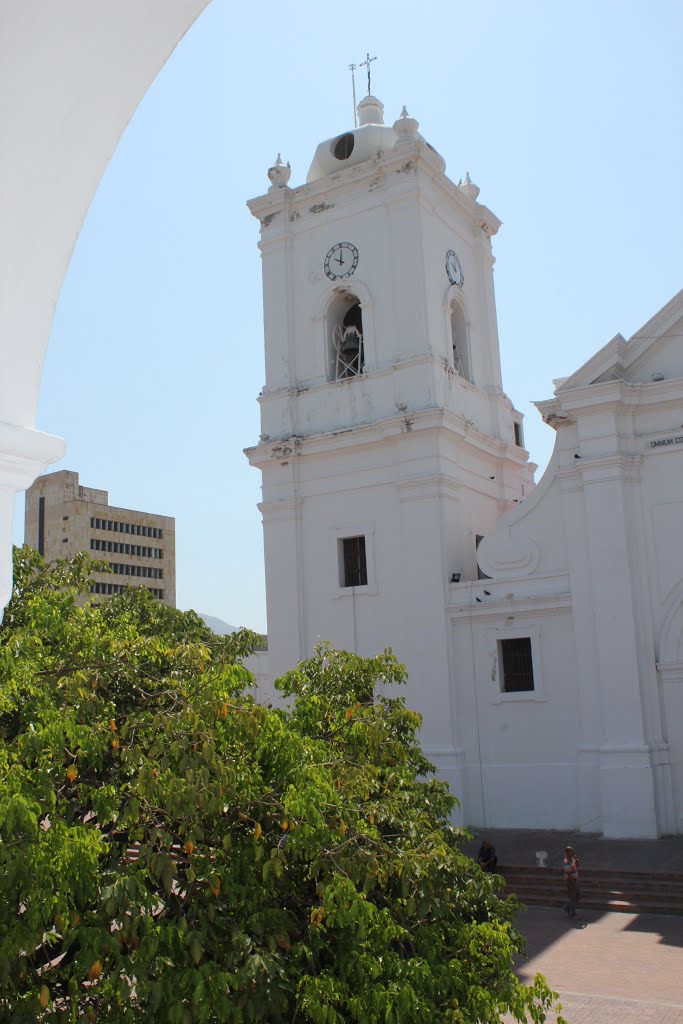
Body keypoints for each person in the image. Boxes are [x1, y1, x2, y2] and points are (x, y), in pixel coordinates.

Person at [562, 845, 580, 917]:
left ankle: (567, 907)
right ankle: (572, 912)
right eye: (571, 851)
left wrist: (577, 859)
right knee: (573, 896)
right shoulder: (566, 861)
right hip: (570, 881)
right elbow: (569, 874)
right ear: (567, 852)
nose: (573, 852)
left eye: (573, 851)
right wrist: (573, 883)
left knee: (577, 896)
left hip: (575, 880)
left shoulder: (572, 859)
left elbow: (578, 866)